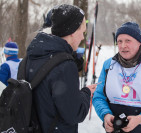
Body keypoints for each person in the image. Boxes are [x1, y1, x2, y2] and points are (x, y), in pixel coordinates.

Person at [24, 4, 97, 133]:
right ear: (72, 31)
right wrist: (86, 93)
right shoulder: (64, 65)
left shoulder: (30, 57)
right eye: (82, 32)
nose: (82, 37)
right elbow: (74, 113)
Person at [93, 22, 141, 133]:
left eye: (128, 41)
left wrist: (140, 118)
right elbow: (98, 97)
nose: (123, 46)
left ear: (139, 42)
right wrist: (106, 114)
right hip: (114, 129)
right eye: (119, 41)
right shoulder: (108, 65)